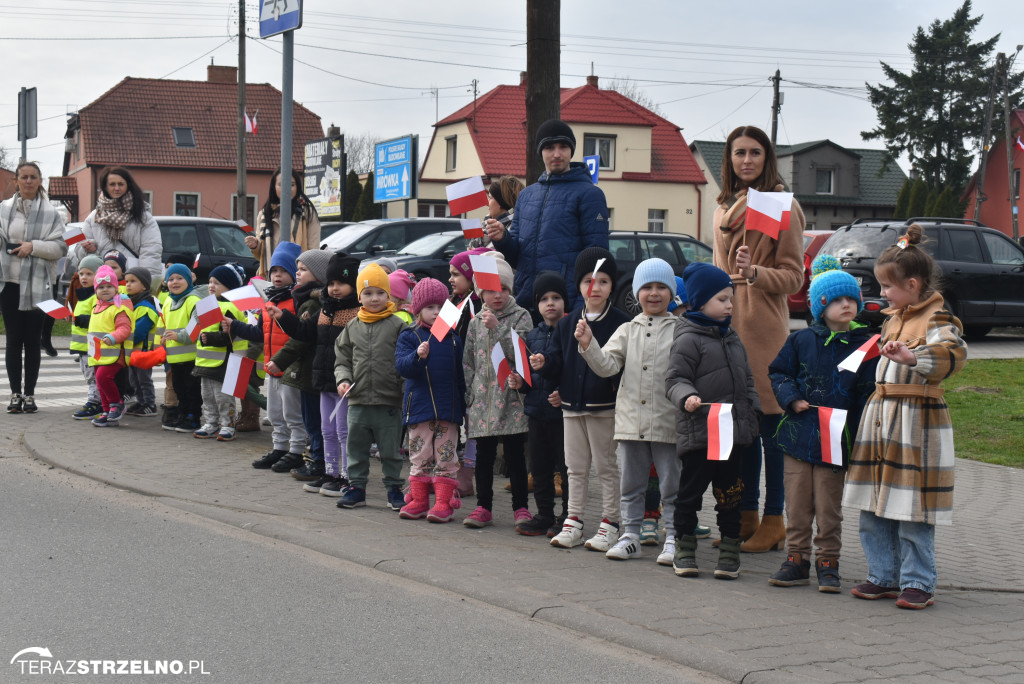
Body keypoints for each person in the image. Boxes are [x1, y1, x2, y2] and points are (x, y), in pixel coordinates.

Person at [844, 224, 967, 610]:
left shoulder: (936, 317)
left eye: (887, 287)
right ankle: (883, 575)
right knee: (874, 502)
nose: (882, 294)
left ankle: (918, 581)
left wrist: (915, 357)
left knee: (912, 507)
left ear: (912, 284)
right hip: (882, 417)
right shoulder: (893, 317)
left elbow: (954, 353)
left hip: (916, 421)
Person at [711, 125, 805, 553]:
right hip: (726, 328)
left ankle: (774, 520)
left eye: (754, 153)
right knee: (740, 431)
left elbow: (793, 277)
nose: (746, 161)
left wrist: (754, 273)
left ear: (766, 158)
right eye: (738, 154)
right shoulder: (721, 207)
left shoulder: (781, 205)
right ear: (728, 160)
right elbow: (716, 270)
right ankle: (746, 514)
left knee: (771, 430)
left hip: (765, 329)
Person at [767, 256, 878, 592]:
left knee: (829, 506)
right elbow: (778, 372)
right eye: (837, 300)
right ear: (820, 306)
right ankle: (796, 559)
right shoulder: (800, 341)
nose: (846, 305)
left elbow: (866, 392)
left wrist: (859, 434)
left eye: (852, 300)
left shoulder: (866, 345)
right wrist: (791, 398)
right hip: (799, 435)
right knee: (798, 503)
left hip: (837, 438)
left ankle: (828, 562)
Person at [576, 258, 683, 566]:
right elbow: (607, 365)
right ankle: (630, 536)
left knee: (671, 485)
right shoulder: (627, 330)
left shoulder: (681, 330)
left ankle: (675, 537)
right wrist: (589, 344)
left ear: (671, 293)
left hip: (667, 422)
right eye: (647, 287)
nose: (654, 293)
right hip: (630, 422)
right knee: (631, 484)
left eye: (661, 287)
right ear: (636, 293)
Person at [665, 262, 761, 579]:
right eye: (722, 299)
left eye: (730, 298)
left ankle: (731, 552)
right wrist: (687, 396)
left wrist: (752, 410)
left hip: (731, 434)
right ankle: (685, 548)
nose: (729, 305)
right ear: (701, 302)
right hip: (699, 432)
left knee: (730, 494)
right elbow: (675, 379)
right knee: (689, 495)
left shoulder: (732, 338)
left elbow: (746, 381)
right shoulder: (688, 338)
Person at [531, 247, 628, 551]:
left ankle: (611, 522)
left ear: (612, 286)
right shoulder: (567, 322)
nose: (594, 287)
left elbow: (619, 367)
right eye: (588, 281)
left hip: (603, 408)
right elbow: (560, 362)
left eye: (602, 281)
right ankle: (573, 520)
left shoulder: (621, 323)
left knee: (606, 467)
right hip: (571, 408)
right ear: (579, 285)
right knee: (575, 468)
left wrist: (612, 387)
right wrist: (545, 364)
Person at [486, 119, 610, 311]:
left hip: (565, 304)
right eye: (550, 147)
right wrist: (503, 238)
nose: (557, 153)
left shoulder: (590, 194)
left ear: (571, 151)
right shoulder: (526, 195)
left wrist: (581, 306)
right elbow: (515, 257)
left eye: (563, 147)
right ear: (540, 152)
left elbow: (596, 259)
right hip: (526, 301)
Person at [276, 250, 362, 497]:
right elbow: (304, 332)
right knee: (327, 429)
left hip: (345, 384)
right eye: (332, 283)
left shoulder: (358, 313)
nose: (335, 289)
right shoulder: (325, 310)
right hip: (324, 382)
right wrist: (284, 317)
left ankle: (347, 476)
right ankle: (331, 473)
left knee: (345, 432)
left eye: (342, 284)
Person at [461, 253, 533, 528]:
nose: (498, 295)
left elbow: (523, 351)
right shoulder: (475, 321)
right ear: (481, 292)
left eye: (503, 288)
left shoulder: (521, 315)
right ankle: (483, 507)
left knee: (515, 455)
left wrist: (500, 328)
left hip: (511, 398)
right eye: (491, 290)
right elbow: (469, 361)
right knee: (484, 456)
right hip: (483, 402)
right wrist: (470, 393)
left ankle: (521, 508)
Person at [334, 263, 409, 511]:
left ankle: (394, 488)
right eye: (367, 294)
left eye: (379, 292)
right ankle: (356, 488)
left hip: (389, 401)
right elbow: (342, 359)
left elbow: (407, 360)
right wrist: (343, 380)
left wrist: (402, 386)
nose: (374, 298)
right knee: (356, 447)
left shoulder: (398, 326)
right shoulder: (352, 327)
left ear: (389, 295)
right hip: (357, 400)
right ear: (359, 297)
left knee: (390, 450)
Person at [228, 242, 307, 470]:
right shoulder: (269, 300)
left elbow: (300, 335)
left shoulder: (297, 300)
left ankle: (296, 452)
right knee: (274, 415)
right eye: (274, 271)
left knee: (293, 415)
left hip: (290, 368)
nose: (278, 275)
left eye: (283, 271)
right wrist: (234, 325)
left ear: (294, 273)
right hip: (272, 368)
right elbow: (259, 333)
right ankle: (279, 448)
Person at [395, 277, 467, 523]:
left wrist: (462, 407)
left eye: (440, 307)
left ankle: (444, 503)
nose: (436, 313)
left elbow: (460, 375)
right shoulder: (410, 337)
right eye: (429, 308)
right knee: (419, 455)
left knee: (446, 456)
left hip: (448, 410)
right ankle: (418, 500)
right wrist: (418, 356)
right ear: (418, 310)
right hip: (419, 409)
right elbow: (403, 368)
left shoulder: (454, 340)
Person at [1, 161, 68, 414]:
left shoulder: (52, 214)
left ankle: (30, 395)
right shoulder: (3, 210)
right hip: (9, 284)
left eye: (33, 177)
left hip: (40, 286)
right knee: (13, 342)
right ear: (16, 180)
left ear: (40, 181)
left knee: (32, 341)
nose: (28, 181)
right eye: (24, 177)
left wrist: (33, 246)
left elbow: (61, 248)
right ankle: (15, 393)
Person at [515, 272, 570, 537]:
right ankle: (544, 514)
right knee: (540, 468)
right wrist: (520, 383)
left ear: (565, 302)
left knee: (567, 468)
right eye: (545, 299)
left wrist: (563, 392)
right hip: (537, 412)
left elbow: (574, 371)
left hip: (563, 414)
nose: (551, 304)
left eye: (556, 298)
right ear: (537, 304)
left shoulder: (571, 332)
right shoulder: (533, 335)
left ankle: (568, 516)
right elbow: (529, 377)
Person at [268, 248, 331, 480]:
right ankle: (314, 459)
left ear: (319, 274)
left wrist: (280, 359)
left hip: (310, 370)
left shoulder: (313, 304)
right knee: (310, 420)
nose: (298, 273)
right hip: (308, 370)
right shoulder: (307, 299)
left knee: (313, 421)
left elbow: (302, 337)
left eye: (303, 270)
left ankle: (318, 462)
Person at [76, 166, 162, 282]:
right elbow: (77, 249)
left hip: (131, 281)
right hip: (102, 282)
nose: (117, 188)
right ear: (105, 187)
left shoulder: (143, 217)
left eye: (121, 184)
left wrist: (144, 281)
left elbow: (151, 252)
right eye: (112, 184)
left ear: (128, 185)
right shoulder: (94, 216)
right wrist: (88, 249)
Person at [192, 263, 247, 441]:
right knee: (206, 396)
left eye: (217, 282)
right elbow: (197, 330)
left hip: (224, 362)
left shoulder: (231, 308)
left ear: (229, 288)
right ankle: (210, 422)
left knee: (223, 396)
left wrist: (214, 338)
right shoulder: (206, 305)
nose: (211, 285)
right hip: (204, 361)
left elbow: (234, 336)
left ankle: (228, 424)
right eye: (210, 281)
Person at [448, 248, 486, 495]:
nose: (450, 279)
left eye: (455, 274)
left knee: (472, 426)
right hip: (452, 375)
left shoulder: (477, 305)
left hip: (473, 376)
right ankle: (445, 471)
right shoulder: (453, 303)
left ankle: (467, 473)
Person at [246, 168, 321, 278]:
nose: (286, 188)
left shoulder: (307, 212)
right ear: (274, 187)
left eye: (291, 184)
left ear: (297, 187)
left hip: (298, 276)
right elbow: (260, 255)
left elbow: (313, 251)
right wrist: (255, 245)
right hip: (270, 277)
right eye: (281, 184)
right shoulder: (265, 213)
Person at [86, 265, 134, 427]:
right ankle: (107, 412)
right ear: (95, 290)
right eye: (101, 287)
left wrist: (113, 337)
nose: (105, 290)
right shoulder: (96, 308)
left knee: (103, 378)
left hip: (114, 353)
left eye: (109, 287)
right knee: (99, 382)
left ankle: (116, 404)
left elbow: (125, 329)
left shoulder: (118, 308)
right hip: (98, 354)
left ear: (116, 289)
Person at [158, 263, 203, 432]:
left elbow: (197, 326)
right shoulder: (168, 301)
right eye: (170, 279)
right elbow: (165, 324)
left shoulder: (194, 300)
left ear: (188, 280)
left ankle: (193, 418)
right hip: (174, 357)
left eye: (179, 278)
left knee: (193, 389)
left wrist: (179, 337)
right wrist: (163, 338)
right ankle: (183, 415)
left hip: (192, 357)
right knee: (179, 388)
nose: (174, 282)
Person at [69, 254, 103, 420]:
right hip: (83, 347)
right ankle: (97, 400)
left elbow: (101, 317)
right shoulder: (82, 296)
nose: (84, 277)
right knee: (89, 375)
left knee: (93, 376)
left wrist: (84, 320)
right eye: (81, 274)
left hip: (93, 346)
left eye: (89, 274)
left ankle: (95, 402)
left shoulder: (97, 296)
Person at [123, 266, 160, 417]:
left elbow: (139, 332)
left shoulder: (146, 306)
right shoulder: (132, 304)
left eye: (133, 281)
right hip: (133, 351)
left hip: (143, 351)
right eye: (126, 281)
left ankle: (150, 404)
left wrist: (122, 337)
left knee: (143, 379)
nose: (128, 285)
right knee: (133, 379)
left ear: (144, 285)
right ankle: (140, 401)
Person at [468, 176, 524, 250]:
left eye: (490, 198)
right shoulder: (486, 225)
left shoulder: (513, 229)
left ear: (502, 202)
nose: (487, 202)